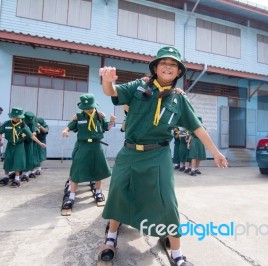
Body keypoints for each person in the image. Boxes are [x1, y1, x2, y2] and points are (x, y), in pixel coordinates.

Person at [98, 46, 228, 266]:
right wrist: (108, 81)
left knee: (167, 200)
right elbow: (111, 92)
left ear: (178, 73)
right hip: (130, 152)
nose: (168, 67)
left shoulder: (179, 100)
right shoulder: (137, 87)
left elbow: (197, 128)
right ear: (155, 68)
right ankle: (111, 238)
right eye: (164, 63)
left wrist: (215, 152)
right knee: (119, 191)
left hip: (158, 155)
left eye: (173, 65)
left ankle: (177, 254)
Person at [61, 93, 115, 210]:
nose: (88, 110)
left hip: (96, 146)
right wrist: (65, 130)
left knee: (98, 169)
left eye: (90, 108)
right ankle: (71, 195)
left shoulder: (100, 116)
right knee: (77, 169)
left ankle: (99, 191)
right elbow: (70, 126)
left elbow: (107, 128)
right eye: (85, 109)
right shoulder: (79, 116)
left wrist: (111, 121)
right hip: (83, 145)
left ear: (95, 106)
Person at [0, 107, 46, 188]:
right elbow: (0, 130)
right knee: (8, 160)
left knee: (18, 161)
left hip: (19, 145)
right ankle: (6, 176)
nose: (16, 118)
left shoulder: (23, 126)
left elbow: (31, 135)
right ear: (11, 116)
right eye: (14, 116)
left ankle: (17, 178)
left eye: (18, 117)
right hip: (10, 145)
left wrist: (40, 143)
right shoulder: (7, 123)